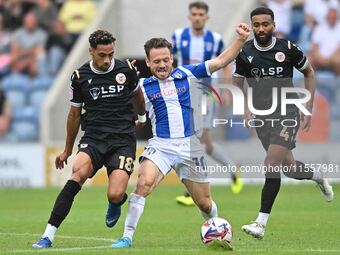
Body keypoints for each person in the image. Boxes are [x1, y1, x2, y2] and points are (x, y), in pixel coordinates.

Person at [111, 23, 251, 248]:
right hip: (161, 146)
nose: (162, 64)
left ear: (171, 59)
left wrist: (241, 39)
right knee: (143, 184)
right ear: (148, 63)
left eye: (165, 59)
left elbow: (221, 61)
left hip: (190, 146)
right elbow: (118, 101)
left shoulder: (187, 74)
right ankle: (126, 237)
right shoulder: (143, 87)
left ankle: (217, 228)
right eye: (156, 61)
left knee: (204, 204)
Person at [32, 30, 146, 248]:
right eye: (102, 55)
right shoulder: (79, 76)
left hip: (122, 140)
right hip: (93, 138)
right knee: (77, 173)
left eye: (111, 55)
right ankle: (47, 235)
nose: (107, 60)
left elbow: (138, 95)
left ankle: (116, 202)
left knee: (115, 194)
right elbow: (74, 114)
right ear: (91, 51)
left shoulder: (126, 70)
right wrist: (67, 150)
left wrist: (141, 116)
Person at [232, 7, 334, 240]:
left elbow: (309, 72)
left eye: (265, 24)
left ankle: (260, 223)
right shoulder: (245, 51)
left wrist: (307, 106)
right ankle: (317, 176)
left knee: (270, 163)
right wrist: (246, 106)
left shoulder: (287, 48)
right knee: (288, 167)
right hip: (262, 116)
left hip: (286, 112)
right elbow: (237, 82)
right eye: (256, 25)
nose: (261, 29)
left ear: (274, 25)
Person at [172, 1, 243, 206]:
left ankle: (194, 191)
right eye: (194, 14)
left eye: (201, 14)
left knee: (196, 139)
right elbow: (168, 60)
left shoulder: (215, 40)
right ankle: (232, 169)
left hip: (205, 94)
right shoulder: (178, 37)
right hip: (183, 94)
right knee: (205, 143)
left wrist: (227, 89)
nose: (197, 17)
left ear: (206, 17)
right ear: (189, 16)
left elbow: (225, 62)